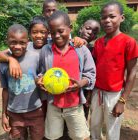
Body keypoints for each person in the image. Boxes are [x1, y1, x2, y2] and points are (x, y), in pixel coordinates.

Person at [36, 10, 96, 140]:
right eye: (52, 32)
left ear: (70, 28)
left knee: (81, 136)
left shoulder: (81, 49)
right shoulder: (46, 50)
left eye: (61, 31)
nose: (56, 35)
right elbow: (41, 72)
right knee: (52, 136)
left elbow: (90, 74)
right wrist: (39, 80)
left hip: (74, 104)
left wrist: (80, 83)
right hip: (54, 104)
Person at [90, 1, 138, 140]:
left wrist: (122, 101)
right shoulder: (98, 43)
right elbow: (94, 69)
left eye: (112, 16)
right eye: (104, 17)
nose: (107, 20)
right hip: (97, 92)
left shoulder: (129, 42)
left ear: (121, 18)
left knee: (112, 129)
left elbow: (132, 72)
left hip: (114, 95)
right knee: (94, 126)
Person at [0, 24, 44, 140]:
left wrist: (39, 79)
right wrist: (4, 114)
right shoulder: (3, 64)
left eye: (22, 43)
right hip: (14, 113)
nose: (18, 46)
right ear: (7, 41)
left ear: (27, 42)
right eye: (13, 42)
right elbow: (5, 89)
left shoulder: (35, 57)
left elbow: (41, 76)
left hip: (35, 110)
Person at [79, 19, 100, 120]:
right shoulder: (68, 45)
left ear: (95, 37)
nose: (90, 32)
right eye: (88, 28)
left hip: (85, 90)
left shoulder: (94, 51)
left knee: (82, 118)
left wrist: (90, 94)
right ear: (80, 28)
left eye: (94, 32)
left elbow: (93, 74)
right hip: (68, 89)